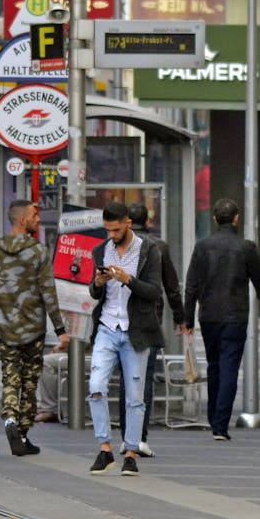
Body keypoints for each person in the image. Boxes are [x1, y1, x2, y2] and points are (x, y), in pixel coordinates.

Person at [0, 200, 69, 456]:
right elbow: (48, 293)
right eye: (34, 215)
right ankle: (22, 432)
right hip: (33, 330)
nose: (38, 219)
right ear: (22, 220)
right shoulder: (38, 252)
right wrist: (60, 329)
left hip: (6, 329)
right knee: (29, 383)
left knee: (10, 378)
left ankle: (9, 420)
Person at [85, 201, 165, 476]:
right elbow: (95, 293)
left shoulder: (148, 250)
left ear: (128, 223)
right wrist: (97, 283)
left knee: (134, 395)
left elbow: (155, 291)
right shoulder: (100, 250)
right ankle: (105, 449)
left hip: (136, 331)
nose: (111, 235)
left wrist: (127, 279)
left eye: (116, 230)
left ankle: (130, 452)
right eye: (107, 230)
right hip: (107, 327)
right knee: (95, 385)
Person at [183, 197, 260, 441]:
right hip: (235, 315)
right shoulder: (246, 248)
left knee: (214, 366)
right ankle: (220, 424)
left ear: (214, 219)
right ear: (236, 218)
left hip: (208, 315)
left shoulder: (202, 247)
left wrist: (188, 318)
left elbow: (191, 285)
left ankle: (214, 418)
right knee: (229, 366)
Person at [128, 202, 186, 458]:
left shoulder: (121, 244)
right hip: (151, 317)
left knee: (128, 376)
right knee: (145, 375)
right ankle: (140, 436)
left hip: (122, 319)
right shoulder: (158, 246)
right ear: (148, 222)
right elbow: (171, 285)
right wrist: (180, 315)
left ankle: (128, 436)